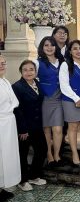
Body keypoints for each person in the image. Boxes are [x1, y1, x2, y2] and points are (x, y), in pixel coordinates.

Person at [12, 60, 48, 192]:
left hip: (37, 125)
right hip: (24, 128)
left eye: (31, 69)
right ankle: (22, 180)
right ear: (21, 72)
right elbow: (17, 110)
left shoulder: (37, 83)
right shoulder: (17, 87)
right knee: (23, 154)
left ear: (35, 71)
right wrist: (22, 129)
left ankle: (34, 176)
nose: (28, 72)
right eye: (25, 70)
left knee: (42, 149)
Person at [35, 36, 64, 166]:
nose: (49, 48)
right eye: (46, 45)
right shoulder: (37, 62)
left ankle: (57, 154)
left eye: (52, 45)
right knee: (46, 129)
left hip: (59, 98)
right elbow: (31, 78)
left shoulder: (62, 61)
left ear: (55, 47)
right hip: (45, 98)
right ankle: (49, 154)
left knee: (57, 129)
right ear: (42, 47)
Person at [0, 54, 21, 202]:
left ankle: (2, 186)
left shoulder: (5, 81)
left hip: (8, 123)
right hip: (1, 123)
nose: (2, 66)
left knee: (6, 156)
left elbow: (14, 102)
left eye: (3, 63)